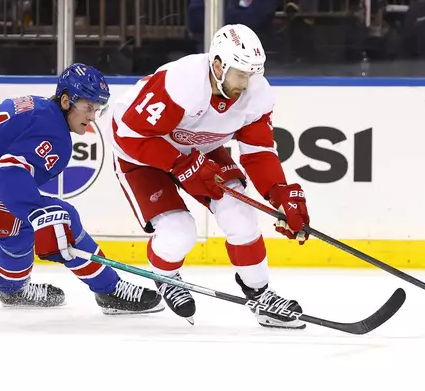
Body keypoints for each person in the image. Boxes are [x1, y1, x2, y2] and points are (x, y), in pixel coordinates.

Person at [0, 63, 163, 315]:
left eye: (97, 109)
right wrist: (40, 215)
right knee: (60, 215)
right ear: (66, 101)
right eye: (87, 107)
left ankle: (13, 290)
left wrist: (36, 214)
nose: (93, 117)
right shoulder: (54, 136)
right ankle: (109, 289)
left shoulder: (38, 105)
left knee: (25, 221)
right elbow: (7, 172)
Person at [108, 24, 310, 329]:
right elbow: (128, 135)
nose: (248, 82)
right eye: (241, 73)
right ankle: (165, 276)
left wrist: (279, 192)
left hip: (199, 148)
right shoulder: (181, 82)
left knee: (240, 216)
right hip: (143, 153)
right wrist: (178, 163)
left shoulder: (256, 93)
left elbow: (258, 151)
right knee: (179, 232)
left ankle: (261, 295)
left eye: (253, 73)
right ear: (218, 65)